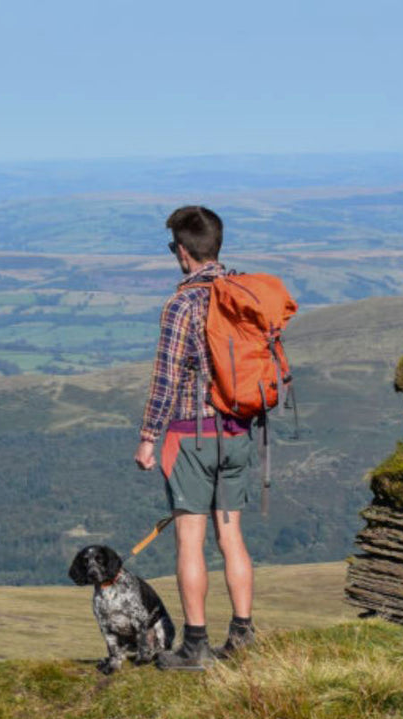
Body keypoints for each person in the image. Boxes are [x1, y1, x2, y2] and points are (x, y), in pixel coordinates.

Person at [133, 205, 255, 670]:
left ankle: (196, 645)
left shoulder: (181, 304)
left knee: (190, 538)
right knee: (232, 535)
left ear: (182, 252)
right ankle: (243, 634)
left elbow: (164, 381)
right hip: (240, 431)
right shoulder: (242, 293)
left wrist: (148, 438)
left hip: (190, 435)